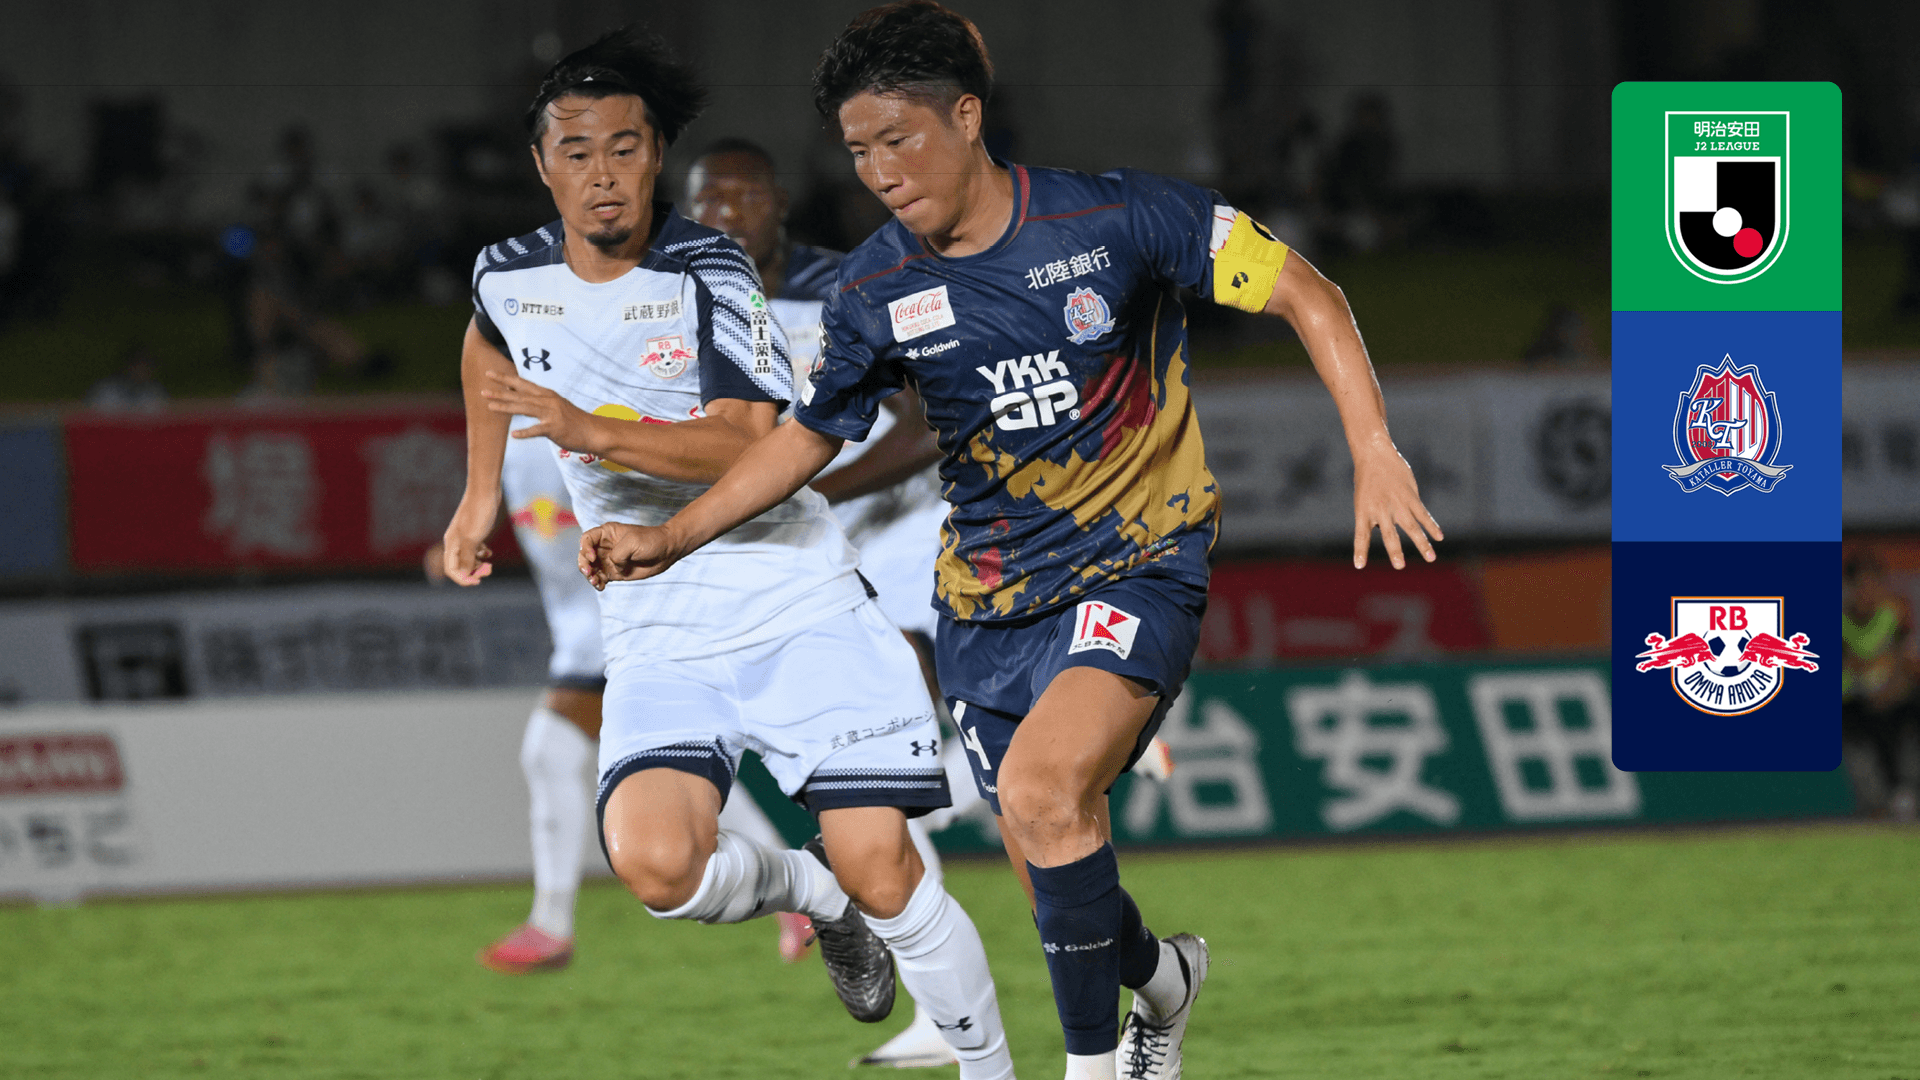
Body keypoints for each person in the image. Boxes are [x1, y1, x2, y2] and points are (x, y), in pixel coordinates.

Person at [574, 6, 1442, 1080]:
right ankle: (1166, 983)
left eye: (899, 139)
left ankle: (1092, 1069)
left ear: (967, 116)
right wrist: (675, 535)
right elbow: (804, 437)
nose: (881, 172)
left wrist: (1374, 450)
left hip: (1138, 564)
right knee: (1052, 855)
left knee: (1040, 796)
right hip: (985, 607)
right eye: (858, 152)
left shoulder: (1121, 217)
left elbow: (1307, 291)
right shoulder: (877, 287)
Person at [441, 28, 1014, 1080]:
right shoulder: (506, 272)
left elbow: (751, 440)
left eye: (624, 149)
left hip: (790, 595)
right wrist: (479, 495)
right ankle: (813, 893)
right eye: (577, 152)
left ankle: (987, 1064)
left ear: (657, 156)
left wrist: (590, 428)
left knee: (885, 864)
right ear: (541, 163)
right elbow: (487, 340)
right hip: (658, 623)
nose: (602, 174)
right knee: (659, 868)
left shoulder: (709, 267)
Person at [431, 425, 807, 973]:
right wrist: (469, 533)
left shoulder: (577, 411)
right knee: (681, 771)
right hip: (589, 628)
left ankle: (551, 925)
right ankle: (796, 896)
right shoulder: (507, 436)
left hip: (632, 617)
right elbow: (540, 525)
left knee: (552, 752)